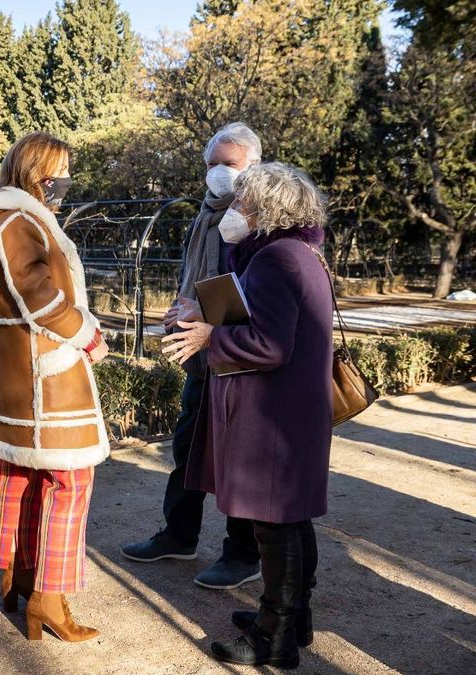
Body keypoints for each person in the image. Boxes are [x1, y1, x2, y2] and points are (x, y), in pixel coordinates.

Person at [162, 162, 334, 668]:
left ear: (269, 209)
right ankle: (290, 620)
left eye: (243, 202)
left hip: (273, 419)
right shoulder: (293, 253)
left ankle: (272, 640)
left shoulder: (278, 259)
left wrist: (211, 336)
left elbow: (270, 345)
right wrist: (203, 314)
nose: (234, 210)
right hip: (289, 414)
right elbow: (262, 322)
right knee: (291, 521)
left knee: (273, 526)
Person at [0, 131, 110, 642]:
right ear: (36, 172)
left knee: (27, 476)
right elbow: (38, 294)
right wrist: (88, 335)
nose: (64, 182)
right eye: (60, 171)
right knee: (70, 482)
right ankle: (48, 598)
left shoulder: (12, 220)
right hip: (42, 376)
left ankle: (21, 577)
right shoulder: (18, 222)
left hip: (26, 372)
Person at [120, 122, 263, 590]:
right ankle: (179, 535)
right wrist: (182, 309)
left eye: (229, 164)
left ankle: (244, 554)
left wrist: (207, 316)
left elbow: (260, 293)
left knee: (239, 457)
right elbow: (197, 280)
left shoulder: (261, 216)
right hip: (201, 354)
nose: (217, 174)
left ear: (253, 167)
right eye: (211, 165)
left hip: (242, 357)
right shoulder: (206, 213)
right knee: (188, 445)